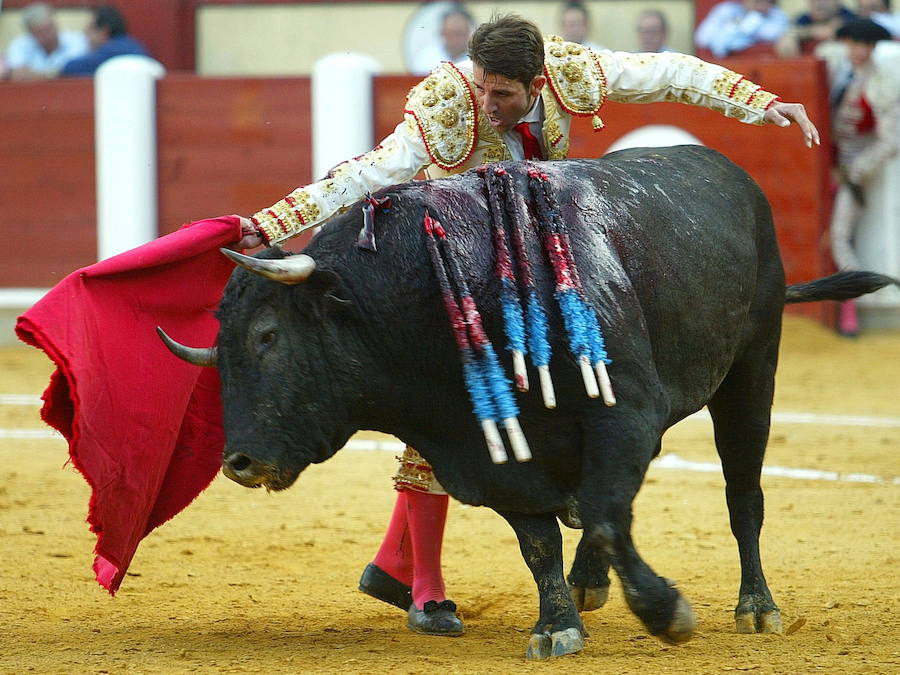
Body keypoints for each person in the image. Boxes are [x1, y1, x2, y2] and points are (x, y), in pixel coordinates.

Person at [234, 14, 820, 636]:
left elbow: (669, 74)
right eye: (481, 85)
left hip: (546, 258)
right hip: (459, 268)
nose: (486, 103)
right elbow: (367, 172)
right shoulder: (446, 104)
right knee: (436, 415)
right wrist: (269, 225)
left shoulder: (572, 72)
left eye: (502, 93)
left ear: (539, 83)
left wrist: (760, 104)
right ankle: (424, 586)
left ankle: (396, 562)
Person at [816, 19, 899, 335]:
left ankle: (849, 311)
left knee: (839, 236)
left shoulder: (882, 82)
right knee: (826, 234)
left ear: (872, 47)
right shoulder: (836, 66)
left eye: (862, 44)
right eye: (851, 43)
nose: (856, 50)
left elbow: (890, 142)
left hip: (851, 168)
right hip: (822, 164)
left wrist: (858, 168)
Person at [3, 2, 88, 80]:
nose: (49, 34)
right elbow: (18, 74)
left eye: (50, 28)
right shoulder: (19, 45)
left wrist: (36, 75)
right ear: (31, 33)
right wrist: (54, 74)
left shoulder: (76, 40)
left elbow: (76, 70)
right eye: (41, 31)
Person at [59, 5, 148, 77]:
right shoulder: (137, 46)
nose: (86, 34)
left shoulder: (109, 51)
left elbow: (70, 67)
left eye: (90, 28)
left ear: (104, 31)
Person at [695, 0, 790, 58]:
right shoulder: (727, 9)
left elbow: (772, 34)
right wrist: (736, 27)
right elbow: (702, 38)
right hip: (727, 67)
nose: (761, 4)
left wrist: (754, 19)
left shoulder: (777, 15)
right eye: (756, 1)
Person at [407, 3, 474, 75]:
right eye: (450, 33)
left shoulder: (476, 58)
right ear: (442, 33)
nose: (455, 39)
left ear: (468, 33)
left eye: (459, 33)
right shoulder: (426, 57)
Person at [777, 0, 857, 56]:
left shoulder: (849, 17)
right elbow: (790, 33)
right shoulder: (804, 19)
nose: (819, 4)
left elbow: (828, 32)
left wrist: (802, 33)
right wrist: (790, 36)